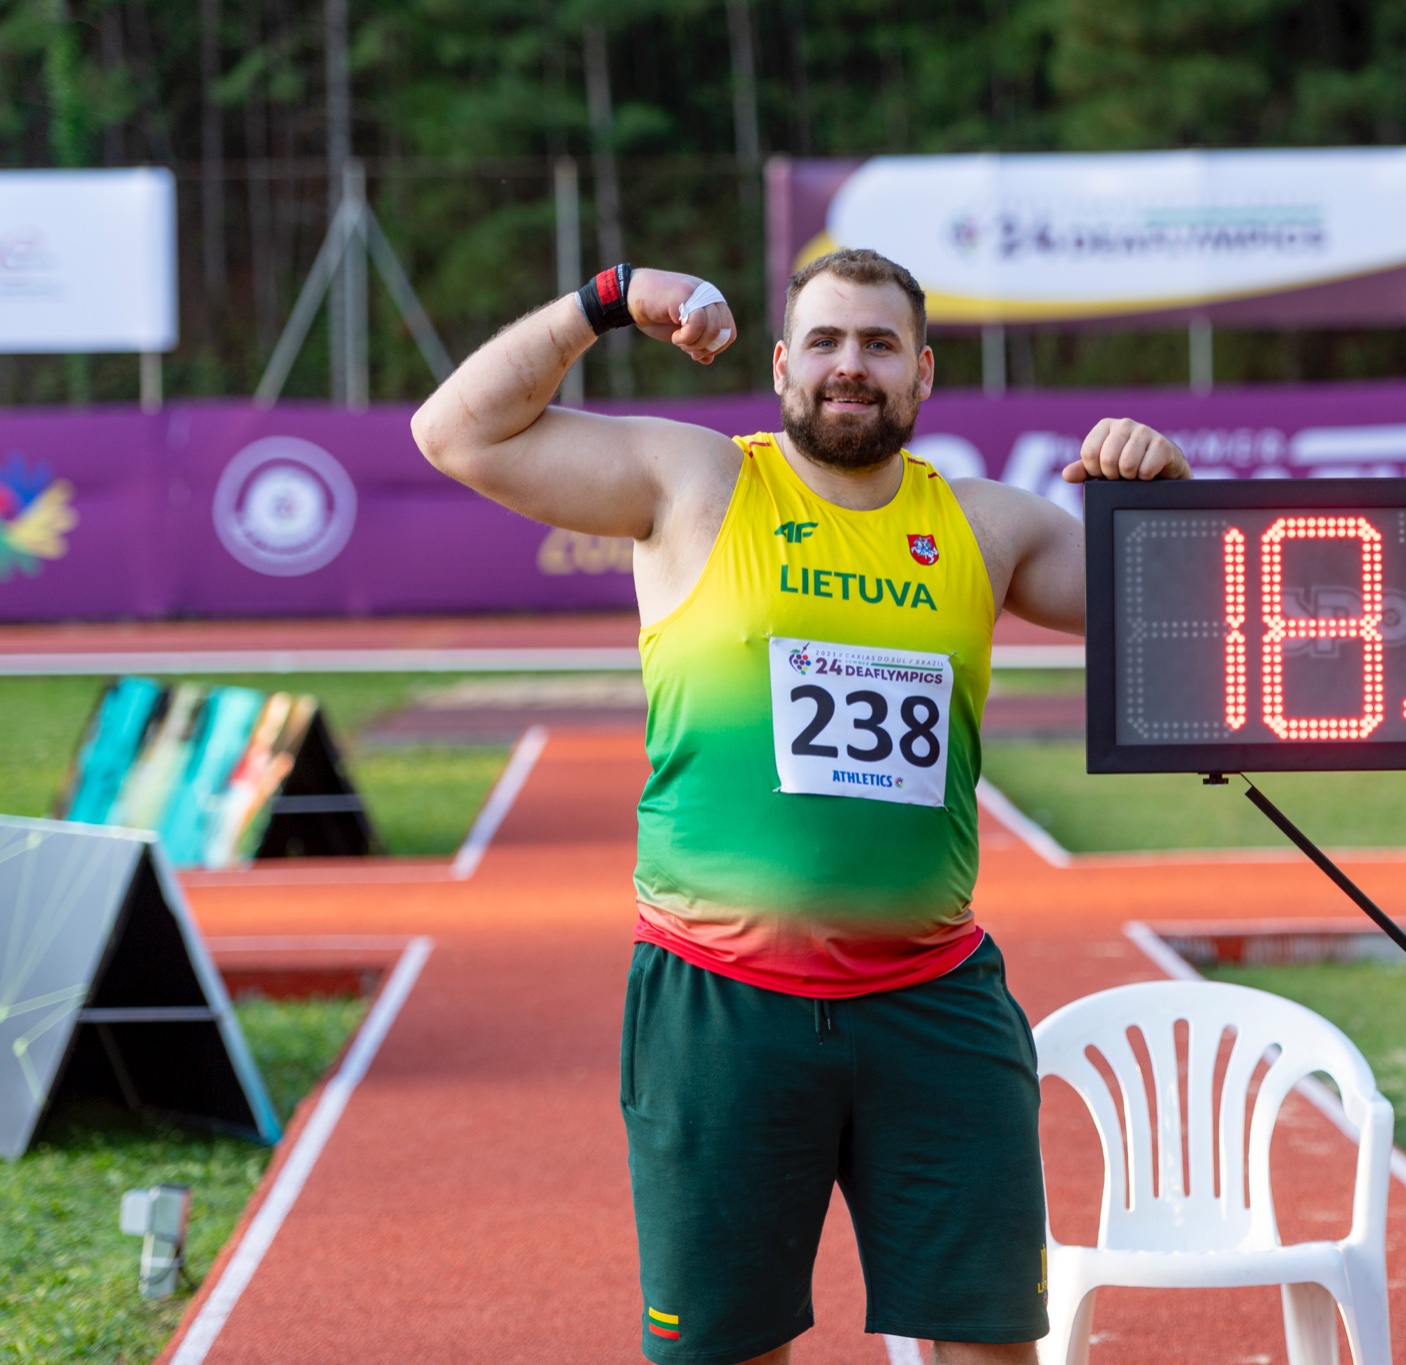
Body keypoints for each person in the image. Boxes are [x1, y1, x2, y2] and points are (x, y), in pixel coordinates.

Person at [411, 248, 1188, 1365]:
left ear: (921, 376)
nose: (849, 367)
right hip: (720, 1006)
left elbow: (1178, 607)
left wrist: (1163, 494)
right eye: (824, 341)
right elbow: (457, 434)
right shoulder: (695, 483)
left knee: (991, 1350)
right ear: (782, 367)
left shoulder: (987, 526)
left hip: (934, 1011)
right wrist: (608, 301)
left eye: (878, 345)